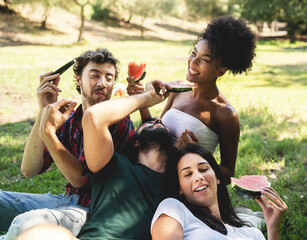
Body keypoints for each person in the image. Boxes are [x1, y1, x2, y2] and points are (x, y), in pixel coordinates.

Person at [0, 49, 134, 239]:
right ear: (78, 79)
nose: (102, 83)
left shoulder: (118, 121)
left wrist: (50, 135)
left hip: (93, 211)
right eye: (94, 75)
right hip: (66, 200)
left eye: (109, 77)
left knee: (25, 225)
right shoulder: (69, 120)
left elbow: (80, 179)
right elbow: (29, 169)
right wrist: (44, 110)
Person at [15, 80, 175, 240]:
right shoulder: (115, 166)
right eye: (150, 124)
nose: (157, 121)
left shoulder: (177, 180)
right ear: (136, 142)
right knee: (29, 230)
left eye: (158, 123)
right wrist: (146, 98)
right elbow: (94, 117)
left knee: (26, 226)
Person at [127, 16, 257, 184]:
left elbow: (228, 175)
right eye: (193, 53)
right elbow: (156, 129)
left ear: (221, 71)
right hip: (150, 176)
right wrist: (140, 99)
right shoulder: (179, 90)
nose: (193, 62)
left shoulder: (225, 114)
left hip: (184, 188)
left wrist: (197, 153)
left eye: (204, 60)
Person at [151, 144, 288, 240]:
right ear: (180, 188)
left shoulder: (251, 233)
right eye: (188, 174)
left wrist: (273, 228)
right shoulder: (173, 208)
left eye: (203, 169)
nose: (198, 177)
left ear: (217, 177)